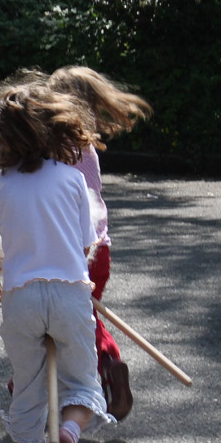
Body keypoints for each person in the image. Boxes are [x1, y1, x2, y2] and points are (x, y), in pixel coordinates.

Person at [0, 82, 111, 443]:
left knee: (27, 391)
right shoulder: (72, 181)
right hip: (68, 295)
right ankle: (67, 431)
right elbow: (86, 247)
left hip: (21, 300)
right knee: (82, 385)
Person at [46, 65, 152, 421]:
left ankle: (50, 378)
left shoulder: (55, 151)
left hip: (68, 249)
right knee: (84, 315)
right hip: (98, 250)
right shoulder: (88, 149)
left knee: (60, 318)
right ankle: (108, 363)